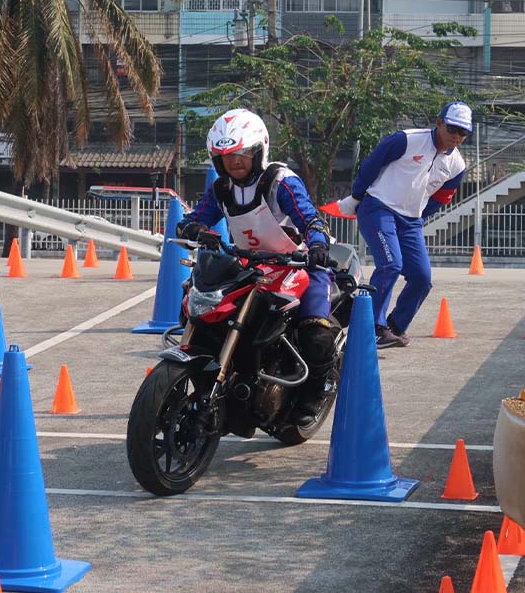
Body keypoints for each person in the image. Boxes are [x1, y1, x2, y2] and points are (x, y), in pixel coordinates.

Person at [177, 108, 336, 427]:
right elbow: (195, 219)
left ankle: (316, 391)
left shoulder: (280, 181)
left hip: (297, 262)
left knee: (316, 331)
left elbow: (309, 218)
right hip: (250, 266)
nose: (234, 161)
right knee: (195, 307)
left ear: (259, 151)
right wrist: (193, 229)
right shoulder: (221, 188)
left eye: (242, 153)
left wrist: (317, 244)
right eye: (226, 156)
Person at [336, 101, 470, 349]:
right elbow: (371, 164)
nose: (456, 136)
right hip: (378, 207)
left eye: (463, 132)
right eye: (452, 129)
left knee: (421, 278)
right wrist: (356, 196)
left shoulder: (457, 165)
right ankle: (372, 327)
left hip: (410, 221)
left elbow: (441, 198)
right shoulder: (406, 140)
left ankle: (394, 327)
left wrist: (417, 215)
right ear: (439, 123)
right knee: (391, 264)